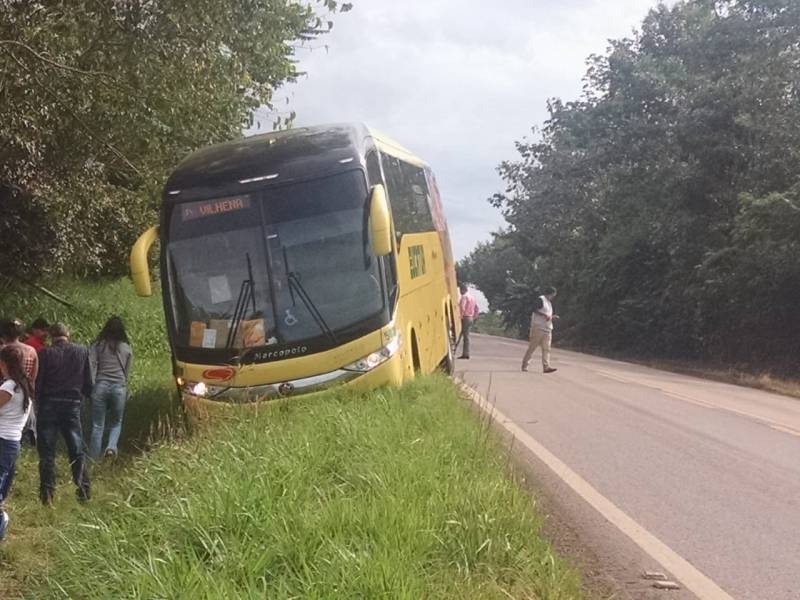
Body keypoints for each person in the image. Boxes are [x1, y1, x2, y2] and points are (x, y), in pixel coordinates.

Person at [35, 323, 92, 505]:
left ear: (52, 336)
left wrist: (38, 402)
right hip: (72, 403)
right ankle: (83, 489)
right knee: (76, 448)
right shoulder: (82, 351)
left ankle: (47, 494)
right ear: (69, 334)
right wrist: (83, 395)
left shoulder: (45, 353)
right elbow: (89, 381)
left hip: (49, 404)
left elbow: (39, 382)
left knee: (47, 451)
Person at [0, 345, 33, 541]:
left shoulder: (8, 387)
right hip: (13, 443)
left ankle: (1, 523)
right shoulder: (24, 385)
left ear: (4, 363)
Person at [88, 317, 132, 460]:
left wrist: (92, 384)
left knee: (97, 425)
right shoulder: (126, 348)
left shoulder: (97, 346)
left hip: (100, 386)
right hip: (119, 387)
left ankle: (94, 458)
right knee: (116, 422)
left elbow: (91, 366)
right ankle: (111, 447)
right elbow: (127, 371)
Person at [522, 286, 559, 374]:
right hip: (538, 327)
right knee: (532, 347)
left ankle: (546, 366)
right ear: (549, 293)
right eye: (552, 295)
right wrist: (544, 315)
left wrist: (551, 317)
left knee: (547, 348)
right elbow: (534, 309)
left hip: (547, 328)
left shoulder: (549, 303)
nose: (553, 297)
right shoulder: (541, 300)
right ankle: (525, 365)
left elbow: (548, 314)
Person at [0, 319, 39, 389]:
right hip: (26, 390)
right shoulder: (31, 351)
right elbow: (33, 378)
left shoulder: (3, 350)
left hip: (5, 391)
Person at [457, 283, 479, 359]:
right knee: (466, 336)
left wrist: (461, 316)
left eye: (460, 290)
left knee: (461, 335)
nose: (460, 292)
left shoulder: (464, 297)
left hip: (465, 317)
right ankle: (466, 353)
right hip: (470, 318)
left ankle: (461, 352)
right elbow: (476, 309)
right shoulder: (472, 298)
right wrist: (474, 317)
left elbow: (462, 307)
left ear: (463, 290)